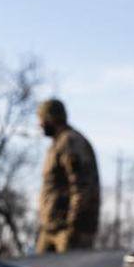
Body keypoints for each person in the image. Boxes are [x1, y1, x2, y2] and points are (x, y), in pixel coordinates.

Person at [36, 98, 100, 252]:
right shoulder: (57, 144)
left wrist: (73, 226)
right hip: (51, 227)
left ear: (51, 118)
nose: (39, 124)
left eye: (42, 119)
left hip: (68, 230)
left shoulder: (70, 142)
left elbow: (83, 186)